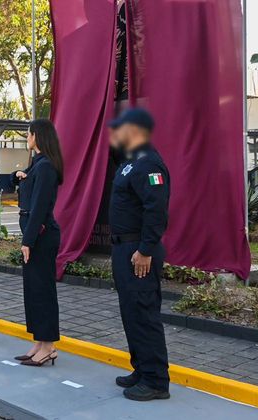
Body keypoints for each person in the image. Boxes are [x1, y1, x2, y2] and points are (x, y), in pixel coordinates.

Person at [108, 108, 171, 401]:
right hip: (124, 248)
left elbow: (155, 210)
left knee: (144, 313)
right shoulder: (130, 162)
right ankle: (142, 370)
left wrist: (145, 249)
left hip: (138, 251)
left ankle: (156, 380)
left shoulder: (149, 163)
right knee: (131, 312)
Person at [11, 119, 64, 367]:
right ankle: (40, 342)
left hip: (41, 235)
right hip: (35, 233)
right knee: (33, 290)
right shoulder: (38, 165)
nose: (27, 138)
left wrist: (28, 241)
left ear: (37, 136)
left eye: (28, 134)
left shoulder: (46, 167)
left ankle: (49, 346)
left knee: (42, 291)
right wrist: (21, 176)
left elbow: (40, 207)